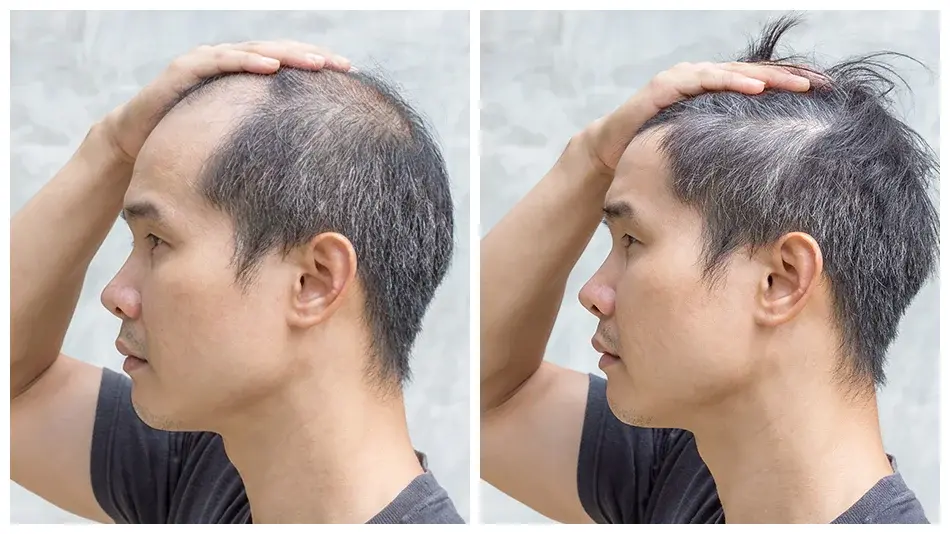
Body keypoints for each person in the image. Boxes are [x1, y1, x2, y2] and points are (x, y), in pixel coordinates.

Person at [481, 17, 935, 524]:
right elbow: (486, 397)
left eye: (632, 241)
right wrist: (588, 159)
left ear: (780, 280)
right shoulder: (681, 477)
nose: (593, 294)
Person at [12, 41, 463, 524]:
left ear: (315, 281)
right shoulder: (207, 475)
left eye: (157, 241)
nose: (115, 295)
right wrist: (109, 147)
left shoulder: (195, 473)